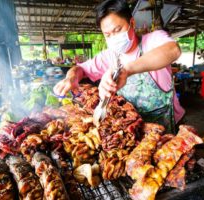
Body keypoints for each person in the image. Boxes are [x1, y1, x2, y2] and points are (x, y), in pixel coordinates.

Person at [54, 0, 184, 132]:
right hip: (131, 129)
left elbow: (173, 50)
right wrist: (71, 78)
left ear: (131, 23)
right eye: (108, 35)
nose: (113, 37)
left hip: (167, 126)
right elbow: (80, 68)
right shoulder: (110, 56)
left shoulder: (153, 40)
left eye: (117, 30)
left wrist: (126, 70)